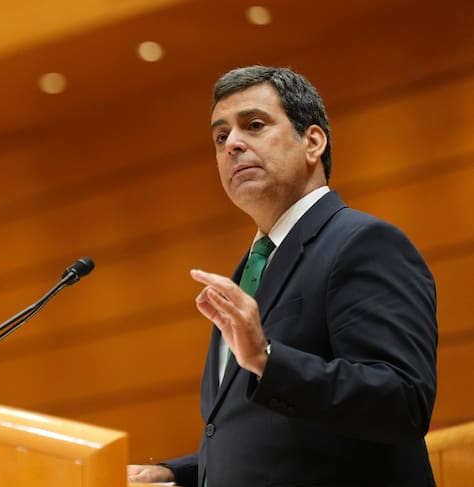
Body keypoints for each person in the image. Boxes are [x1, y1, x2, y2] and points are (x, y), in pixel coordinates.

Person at [127, 65, 438, 486]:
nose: (232, 144)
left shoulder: (364, 243)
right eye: (221, 137)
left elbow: (402, 403)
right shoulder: (252, 268)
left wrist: (267, 359)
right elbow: (270, 435)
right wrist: (174, 472)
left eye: (254, 125)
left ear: (312, 142)